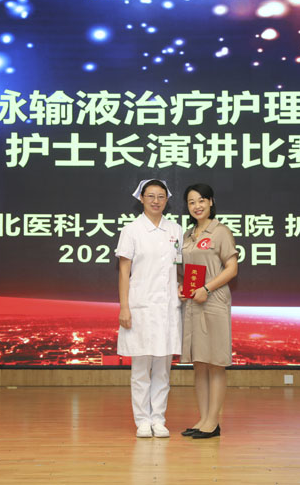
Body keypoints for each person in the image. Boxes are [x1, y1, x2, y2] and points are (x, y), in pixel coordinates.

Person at [116, 179, 183, 438]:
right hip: (140, 307)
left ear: (167, 200)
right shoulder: (131, 230)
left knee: (163, 370)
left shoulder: (175, 229)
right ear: (141, 198)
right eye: (151, 196)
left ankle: (159, 419)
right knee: (141, 369)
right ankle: (142, 420)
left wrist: (182, 286)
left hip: (167, 308)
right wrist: (124, 307)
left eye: (161, 196)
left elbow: (179, 267)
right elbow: (124, 272)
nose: (156, 201)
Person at [178, 183, 238, 439]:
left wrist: (207, 288)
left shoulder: (220, 231)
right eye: (191, 202)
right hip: (193, 304)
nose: (197, 206)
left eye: (202, 200)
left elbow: (232, 269)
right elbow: (184, 271)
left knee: (215, 364)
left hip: (213, 301)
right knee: (199, 363)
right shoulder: (187, 235)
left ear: (211, 202)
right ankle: (203, 419)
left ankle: (213, 422)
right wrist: (182, 287)